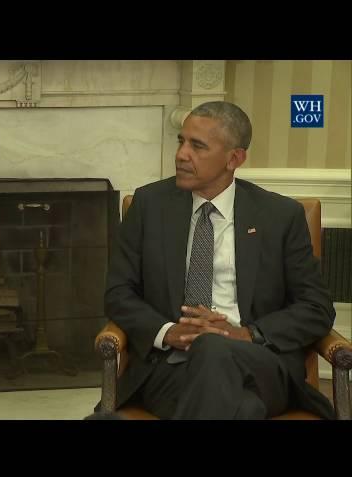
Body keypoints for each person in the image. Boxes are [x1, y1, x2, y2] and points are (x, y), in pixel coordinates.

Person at [104, 101, 336, 419]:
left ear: (234, 158)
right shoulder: (149, 206)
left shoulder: (280, 216)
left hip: (259, 362)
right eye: (181, 141)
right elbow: (118, 292)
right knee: (245, 409)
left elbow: (316, 308)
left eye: (197, 146)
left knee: (212, 348)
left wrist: (246, 334)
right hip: (171, 367)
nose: (182, 154)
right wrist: (168, 331)